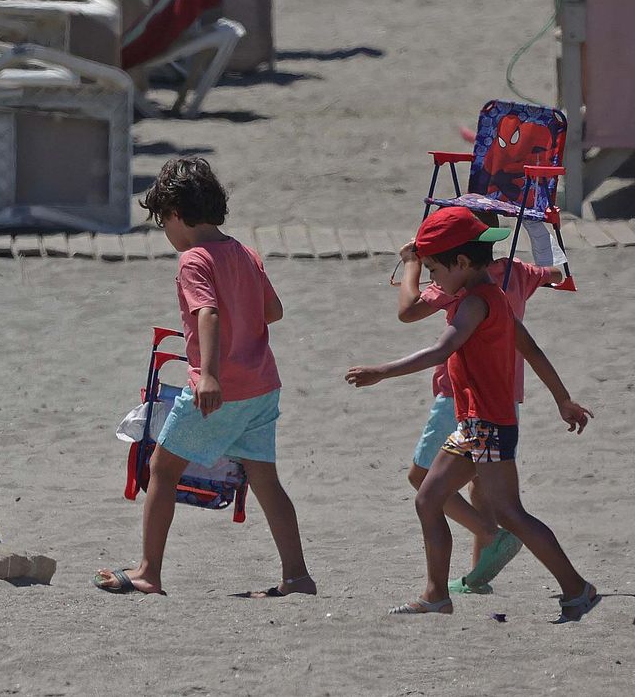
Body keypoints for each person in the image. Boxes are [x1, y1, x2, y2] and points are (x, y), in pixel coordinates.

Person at [346, 206, 598, 620]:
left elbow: (442, 349)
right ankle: (435, 595)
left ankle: (577, 587)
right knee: (428, 497)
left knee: (510, 512)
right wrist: (562, 399)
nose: (432, 280)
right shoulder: (493, 295)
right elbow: (531, 349)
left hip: (488, 424)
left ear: (461, 262)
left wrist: (382, 371)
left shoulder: (475, 304)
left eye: (433, 269)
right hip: (475, 424)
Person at [94, 158, 313, 598]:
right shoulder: (244, 252)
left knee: (162, 466)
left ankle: (148, 572)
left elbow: (206, 312)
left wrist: (208, 373)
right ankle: (297, 576)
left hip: (219, 389)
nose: (167, 234)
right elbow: (274, 311)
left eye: (163, 223)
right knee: (266, 479)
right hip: (261, 385)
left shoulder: (194, 260)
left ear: (175, 213)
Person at [395, 223, 563, 595]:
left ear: (459, 258)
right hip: (499, 402)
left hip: (466, 402)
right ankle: (471, 578)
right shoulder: (515, 274)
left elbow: (408, 311)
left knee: (427, 482)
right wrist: (544, 231)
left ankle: (569, 583)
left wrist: (413, 264)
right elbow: (556, 273)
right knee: (475, 493)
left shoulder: (462, 290)